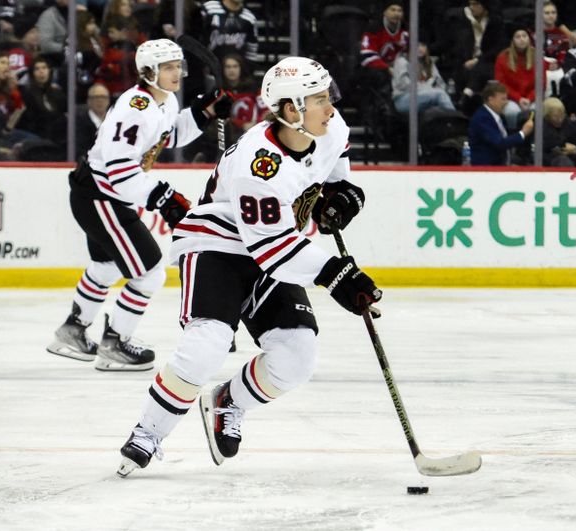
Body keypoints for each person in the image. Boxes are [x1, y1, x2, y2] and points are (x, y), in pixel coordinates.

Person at [115, 57, 382, 477]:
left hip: (279, 244)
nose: (330, 107)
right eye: (318, 99)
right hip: (218, 244)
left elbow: (334, 173)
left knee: (297, 357)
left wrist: (344, 195)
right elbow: (272, 249)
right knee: (209, 344)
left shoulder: (332, 128)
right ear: (292, 110)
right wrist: (338, 276)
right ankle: (148, 432)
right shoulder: (259, 165)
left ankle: (229, 401)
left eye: (328, 96)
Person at [46, 39, 232, 371]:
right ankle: (115, 344)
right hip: (102, 197)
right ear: (148, 72)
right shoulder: (135, 108)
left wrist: (203, 113)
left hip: (98, 196)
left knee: (106, 268)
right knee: (149, 274)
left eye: (178, 66)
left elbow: (168, 137)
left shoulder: (164, 102)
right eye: (169, 67)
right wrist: (163, 197)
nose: (177, 73)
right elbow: (120, 172)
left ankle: (71, 332)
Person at [468, 81, 534, 166]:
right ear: (490, 99)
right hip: (486, 170)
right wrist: (523, 133)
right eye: (503, 99)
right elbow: (499, 143)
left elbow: (505, 137)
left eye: (506, 99)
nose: (506, 102)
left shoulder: (498, 116)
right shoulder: (482, 118)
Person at [494, 27, 545, 130]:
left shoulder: (537, 55)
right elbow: (501, 83)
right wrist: (519, 98)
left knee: (536, 110)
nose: (522, 39)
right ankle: (514, 137)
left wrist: (530, 98)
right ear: (512, 40)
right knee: (512, 112)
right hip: (510, 98)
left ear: (529, 38)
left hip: (532, 98)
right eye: (518, 37)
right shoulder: (503, 57)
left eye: (524, 36)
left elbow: (541, 83)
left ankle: (533, 140)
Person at [391, 42, 455, 115]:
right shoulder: (402, 62)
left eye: (423, 45)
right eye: (417, 45)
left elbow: (440, 83)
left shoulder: (429, 63)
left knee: (441, 102)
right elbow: (404, 85)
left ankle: (450, 123)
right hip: (403, 99)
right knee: (439, 94)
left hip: (424, 98)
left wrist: (434, 89)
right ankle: (456, 121)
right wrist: (428, 88)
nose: (420, 48)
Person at [75, 82, 111, 159]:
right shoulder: (79, 124)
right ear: (89, 101)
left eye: (103, 97)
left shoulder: (114, 122)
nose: (100, 100)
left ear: (108, 100)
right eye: (96, 97)